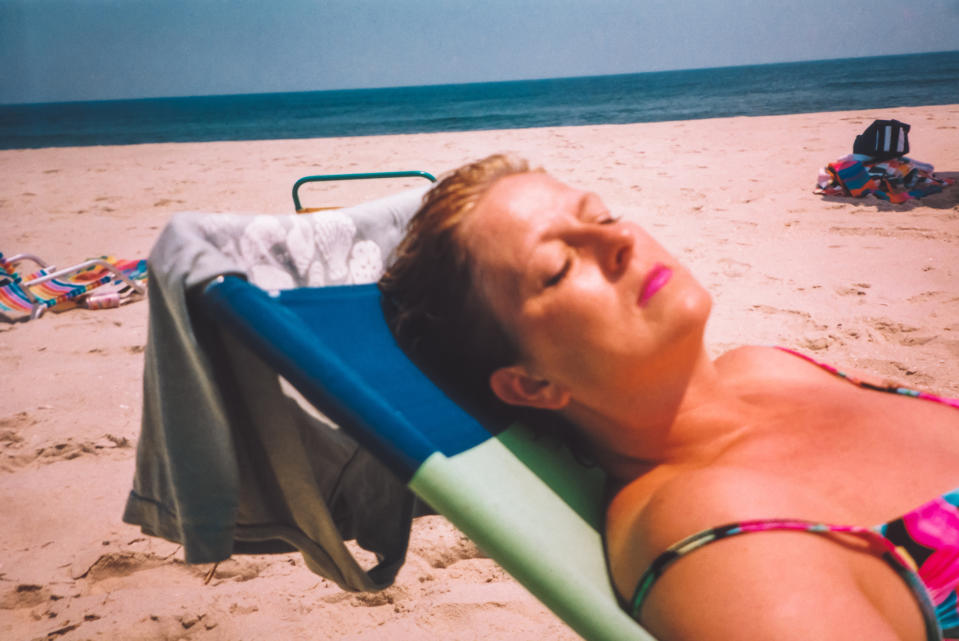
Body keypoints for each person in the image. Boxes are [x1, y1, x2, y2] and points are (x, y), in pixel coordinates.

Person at [378, 154, 959, 641]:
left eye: (603, 216)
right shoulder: (720, 532)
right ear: (533, 384)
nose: (616, 240)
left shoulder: (772, 364)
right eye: (556, 268)